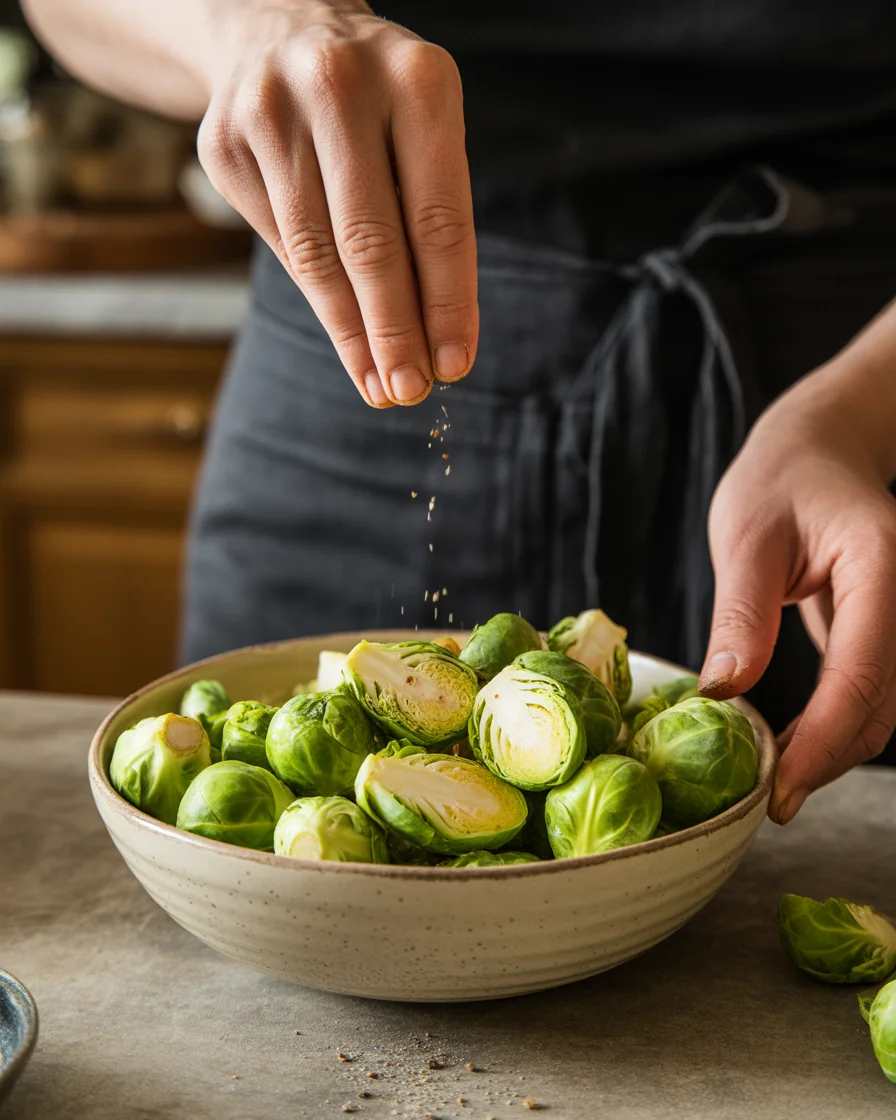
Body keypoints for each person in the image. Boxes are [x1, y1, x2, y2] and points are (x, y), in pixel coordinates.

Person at [22, 0, 896, 826]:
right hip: (349, 340)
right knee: (271, 810)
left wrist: (855, 418)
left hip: (835, 384)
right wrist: (249, 25)